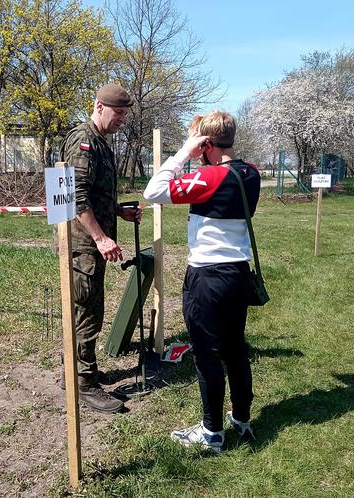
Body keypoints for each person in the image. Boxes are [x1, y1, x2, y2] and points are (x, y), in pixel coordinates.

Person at [143, 110, 260, 452]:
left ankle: (212, 433)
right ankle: (241, 418)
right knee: (235, 349)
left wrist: (183, 152)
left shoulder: (212, 177)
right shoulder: (250, 173)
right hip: (238, 272)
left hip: (208, 277)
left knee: (207, 355)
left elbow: (154, 191)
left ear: (206, 143)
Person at [58, 83, 141, 413]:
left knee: (88, 309)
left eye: (124, 114)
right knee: (87, 313)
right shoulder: (84, 142)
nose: (121, 119)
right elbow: (77, 198)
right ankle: (85, 386)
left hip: (89, 243)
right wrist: (100, 237)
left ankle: (80, 372)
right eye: (117, 113)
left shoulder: (100, 142)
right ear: (99, 106)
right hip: (82, 245)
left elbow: (93, 193)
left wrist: (118, 211)